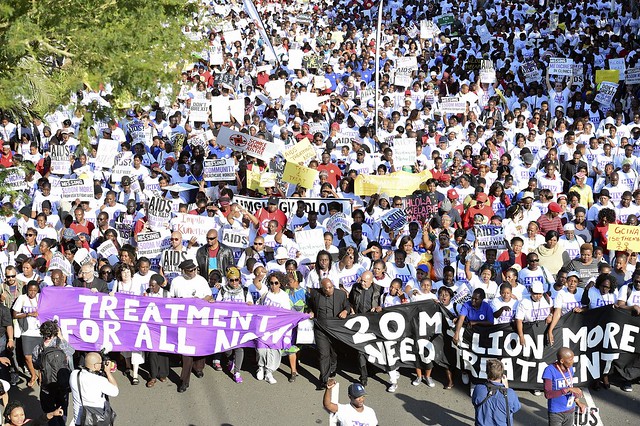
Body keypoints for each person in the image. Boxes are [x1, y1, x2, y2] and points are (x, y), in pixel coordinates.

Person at [170, 259, 213, 392]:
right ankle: (184, 381)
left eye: (195, 269)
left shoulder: (201, 280)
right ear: (183, 271)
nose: (194, 272)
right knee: (187, 350)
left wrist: (198, 302)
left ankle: (198, 367)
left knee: (200, 345)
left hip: (199, 319)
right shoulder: (176, 281)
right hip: (184, 320)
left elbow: (209, 295)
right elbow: (172, 298)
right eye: (190, 270)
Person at [308, 278, 350, 390]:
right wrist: (310, 311)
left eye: (330, 287)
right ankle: (323, 380)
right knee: (323, 354)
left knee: (334, 353)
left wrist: (345, 311)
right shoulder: (315, 294)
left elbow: (347, 306)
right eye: (326, 288)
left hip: (335, 329)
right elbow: (310, 305)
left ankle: (333, 367)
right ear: (322, 288)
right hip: (321, 329)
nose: (329, 290)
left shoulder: (341, 294)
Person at [32, 320, 74, 426]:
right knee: (62, 408)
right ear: (56, 332)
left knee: (48, 409)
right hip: (62, 384)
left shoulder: (39, 348)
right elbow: (71, 353)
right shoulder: (62, 345)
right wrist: (61, 336)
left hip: (47, 385)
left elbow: (36, 364)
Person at [69, 352, 118, 426]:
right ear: (95, 365)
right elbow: (115, 392)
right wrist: (108, 372)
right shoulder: (99, 380)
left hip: (79, 420)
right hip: (96, 420)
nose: (102, 365)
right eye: (100, 363)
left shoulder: (74, 374)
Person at [542, 347, 586, 426]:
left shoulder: (570, 369)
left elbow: (570, 386)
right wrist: (567, 389)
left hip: (570, 410)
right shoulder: (549, 370)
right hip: (556, 412)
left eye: (573, 358)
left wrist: (578, 403)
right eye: (570, 359)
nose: (573, 361)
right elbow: (548, 394)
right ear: (562, 361)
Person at [472, 358, 521, 426]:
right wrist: (506, 388)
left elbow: (475, 402)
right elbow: (515, 408)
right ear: (502, 375)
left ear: (487, 373)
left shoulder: (478, 389)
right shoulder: (510, 393)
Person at [12, 281, 41, 387]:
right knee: (27, 356)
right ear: (27, 289)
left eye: (35, 290)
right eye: (30, 290)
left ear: (38, 290)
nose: (32, 292)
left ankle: (41, 375)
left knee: (40, 357)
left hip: (40, 332)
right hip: (27, 332)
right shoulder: (22, 298)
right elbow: (15, 314)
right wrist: (28, 314)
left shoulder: (41, 297)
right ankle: (33, 375)